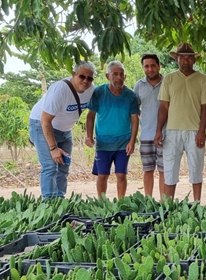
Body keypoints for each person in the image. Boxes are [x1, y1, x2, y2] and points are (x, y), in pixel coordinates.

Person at [28, 62, 96, 198]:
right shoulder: (60, 90)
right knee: (50, 166)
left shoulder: (91, 90)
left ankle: (59, 201)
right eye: (82, 76)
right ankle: (49, 204)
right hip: (42, 125)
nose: (86, 81)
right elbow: (45, 120)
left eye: (90, 78)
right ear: (73, 74)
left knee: (64, 167)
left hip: (65, 130)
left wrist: (89, 135)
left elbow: (91, 113)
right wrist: (53, 148)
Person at [154, 43, 206, 201]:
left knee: (196, 170)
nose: (185, 60)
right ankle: (169, 206)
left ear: (194, 60)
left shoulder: (202, 79)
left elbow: (205, 108)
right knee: (170, 171)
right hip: (172, 131)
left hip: (194, 131)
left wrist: (201, 131)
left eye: (189, 57)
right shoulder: (169, 79)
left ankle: (196, 204)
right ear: (176, 59)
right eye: (182, 57)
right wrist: (159, 130)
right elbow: (164, 107)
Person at [85, 61, 140, 199]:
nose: (119, 77)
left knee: (121, 175)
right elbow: (90, 116)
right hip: (103, 144)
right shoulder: (98, 92)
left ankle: (121, 203)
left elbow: (135, 120)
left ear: (125, 77)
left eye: (121, 74)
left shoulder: (130, 96)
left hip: (123, 143)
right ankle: (101, 203)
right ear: (107, 75)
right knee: (102, 175)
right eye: (115, 74)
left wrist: (132, 141)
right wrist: (88, 136)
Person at [134, 53, 164, 198]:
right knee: (148, 170)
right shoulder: (139, 85)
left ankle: (165, 204)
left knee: (164, 170)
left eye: (153, 65)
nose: (150, 69)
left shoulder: (168, 82)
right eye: (146, 66)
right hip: (146, 135)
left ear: (159, 66)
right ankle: (148, 201)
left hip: (165, 135)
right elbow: (135, 110)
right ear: (143, 68)